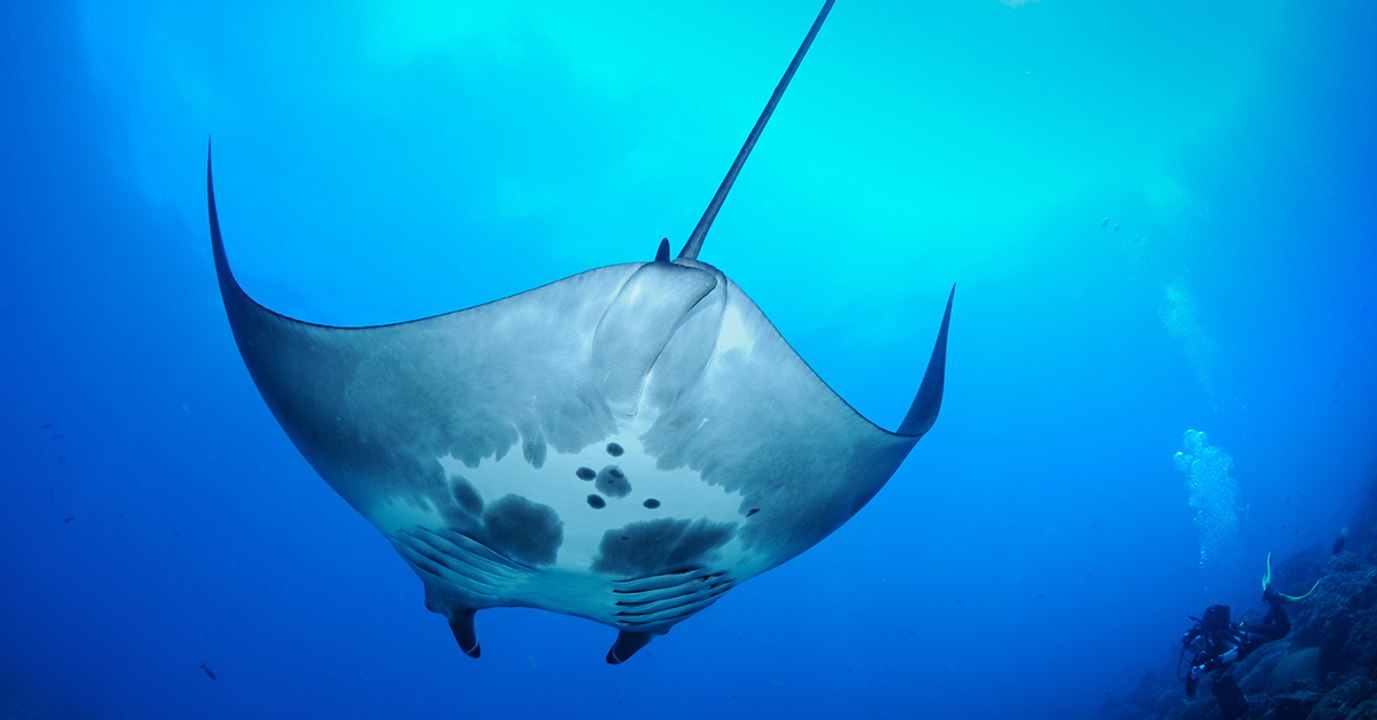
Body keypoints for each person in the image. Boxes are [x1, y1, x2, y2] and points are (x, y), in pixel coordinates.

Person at [1179, 554, 1319, 719]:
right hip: (1249, 644)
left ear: (1202, 634)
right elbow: (1190, 693)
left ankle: (1271, 596)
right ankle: (1276, 601)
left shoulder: (1217, 636)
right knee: (1264, 629)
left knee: (1282, 629)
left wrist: (1209, 665)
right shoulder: (1199, 659)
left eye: (1198, 642)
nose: (1198, 647)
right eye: (1193, 647)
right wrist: (1193, 678)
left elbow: (1237, 650)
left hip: (1245, 637)